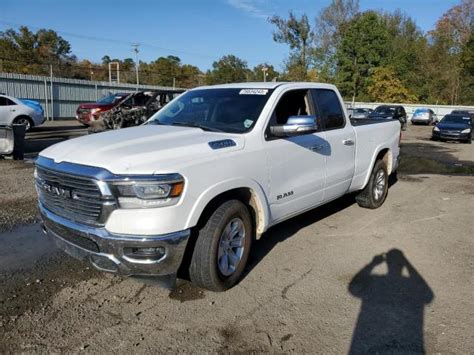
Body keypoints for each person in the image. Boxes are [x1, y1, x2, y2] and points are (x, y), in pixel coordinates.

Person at [348, 249, 434, 354]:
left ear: (387, 263)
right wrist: (406, 262)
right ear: (402, 265)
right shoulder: (407, 283)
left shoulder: (376, 281)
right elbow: (428, 295)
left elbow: (353, 288)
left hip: (373, 338)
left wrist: (372, 264)